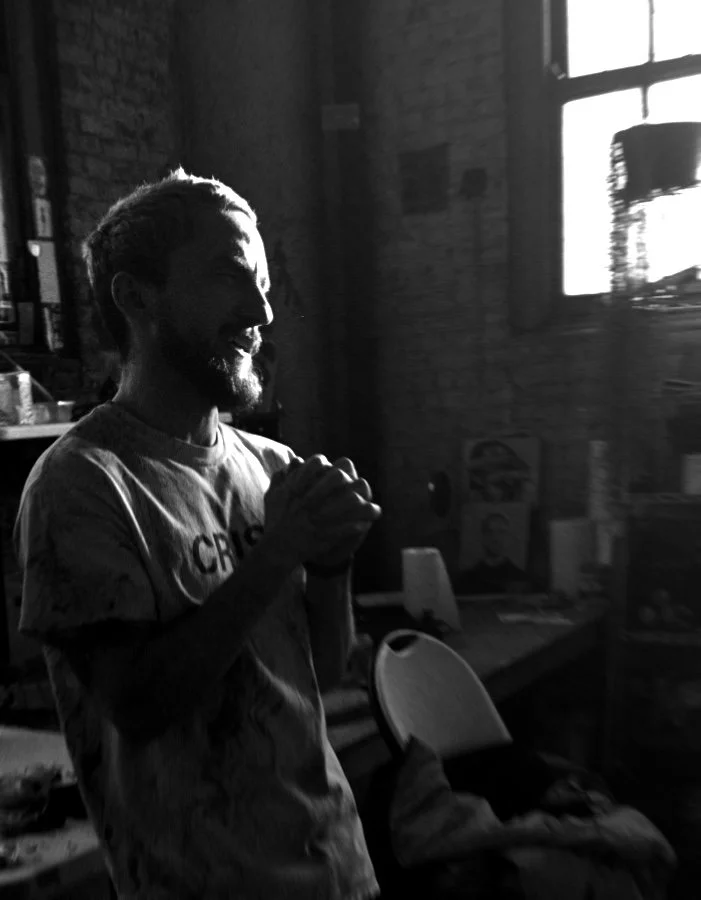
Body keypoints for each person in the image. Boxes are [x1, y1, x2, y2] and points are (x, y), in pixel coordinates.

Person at [14, 169, 382, 900]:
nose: (260, 311)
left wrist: (333, 565)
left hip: (338, 870)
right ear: (135, 296)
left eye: (265, 284)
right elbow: (139, 705)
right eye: (228, 276)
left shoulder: (271, 466)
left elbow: (323, 673)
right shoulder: (82, 483)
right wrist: (279, 552)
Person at [453, 511, 527, 595]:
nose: (495, 538)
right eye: (490, 532)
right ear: (483, 537)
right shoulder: (465, 581)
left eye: (501, 532)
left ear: (508, 537)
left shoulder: (520, 579)